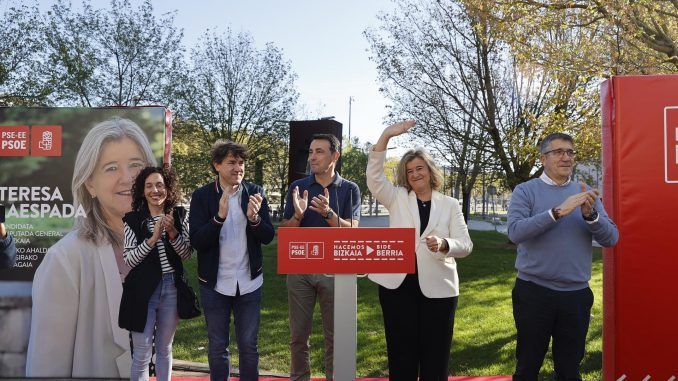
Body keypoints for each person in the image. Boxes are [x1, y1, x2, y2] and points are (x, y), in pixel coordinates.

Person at [26, 117, 157, 378]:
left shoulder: (157, 247)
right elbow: (46, 368)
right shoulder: (64, 260)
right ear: (90, 184)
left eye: (136, 165)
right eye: (110, 168)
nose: (128, 178)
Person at [366, 120, 473, 379]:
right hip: (397, 287)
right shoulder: (397, 197)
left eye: (419, 168)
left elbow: (466, 244)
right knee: (401, 353)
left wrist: (445, 244)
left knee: (435, 357)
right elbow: (375, 177)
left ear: (430, 170)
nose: (415, 174)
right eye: (409, 170)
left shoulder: (450, 204)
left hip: (439, 289)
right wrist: (387, 136)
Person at [507, 132, 619, 380]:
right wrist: (557, 212)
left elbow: (611, 238)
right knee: (527, 365)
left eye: (570, 152)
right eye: (558, 152)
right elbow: (515, 232)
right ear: (543, 158)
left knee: (569, 368)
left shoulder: (586, 193)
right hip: (534, 292)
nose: (566, 157)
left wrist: (591, 216)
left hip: (576, 296)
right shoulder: (525, 191)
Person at [189, 140, 274, 381]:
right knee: (218, 346)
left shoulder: (255, 192)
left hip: (249, 283)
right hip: (215, 284)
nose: (238, 168)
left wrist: (255, 219)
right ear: (217, 165)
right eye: (231, 162)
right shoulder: (202, 196)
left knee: (249, 345)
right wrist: (219, 217)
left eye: (241, 163)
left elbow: (268, 236)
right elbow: (197, 241)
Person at [281, 133, 361, 381]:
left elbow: (353, 231)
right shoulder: (297, 187)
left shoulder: (350, 189)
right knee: (298, 336)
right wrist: (297, 216)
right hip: (300, 269)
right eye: (311, 151)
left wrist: (329, 215)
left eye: (319, 151)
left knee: (335, 336)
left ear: (334, 156)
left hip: (335, 270)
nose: (312, 157)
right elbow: (284, 232)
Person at [118, 166, 192, 381]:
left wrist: (172, 233)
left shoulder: (179, 215)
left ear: (168, 189)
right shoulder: (133, 220)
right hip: (141, 290)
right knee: (141, 352)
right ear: (143, 191)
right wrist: (152, 239)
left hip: (171, 288)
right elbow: (129, 259)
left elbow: (187, 254)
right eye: (149, 186)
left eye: (160, 185)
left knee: (165, 349)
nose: (155, 190)